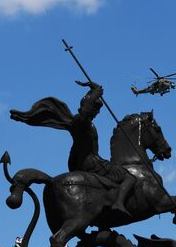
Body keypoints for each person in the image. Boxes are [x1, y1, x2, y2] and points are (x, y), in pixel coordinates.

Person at [10, 81, 136, 215]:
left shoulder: (79, 123)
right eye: (96, 110)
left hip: (80, 162)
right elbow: (85, 110)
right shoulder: (80, 122)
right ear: (90, 108)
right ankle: (118, 203)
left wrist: (93, 91)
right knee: (129, 177)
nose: (97, 113)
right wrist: (96, 93)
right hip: (92, 163)